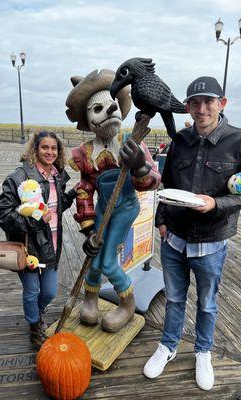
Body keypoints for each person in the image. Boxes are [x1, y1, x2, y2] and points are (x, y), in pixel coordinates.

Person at [143, 76, 241, 390]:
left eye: (209, 101)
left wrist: (217, 203)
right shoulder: (179, 141)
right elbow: (165, 187)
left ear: (221, 104)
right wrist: (161, 222)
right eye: (195, 103)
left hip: (212, 241)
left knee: (207, 303)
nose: (202, 108)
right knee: (173, 299)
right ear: (187, 107)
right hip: (174, 238)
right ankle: (168, 346)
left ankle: (203, 352)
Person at [66, 69, 161, 333]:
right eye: (97, 108)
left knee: (108, 261)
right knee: (94, 257)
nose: (108, 111)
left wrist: (140, 167)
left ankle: (127, 305)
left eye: (112, 105)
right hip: (102, 209)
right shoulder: (85, 153)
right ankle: (90, 300)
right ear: (87, 117)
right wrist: (88, 227)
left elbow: (153, 181)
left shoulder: (132, 145)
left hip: (124, 209)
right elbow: (84, 189)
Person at [0, 131, 77, 349]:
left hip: (52, 245)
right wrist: (35, 221)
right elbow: (2, 213)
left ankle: (36, 314)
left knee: (49, 291)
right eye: (45, 147)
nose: (50, 152)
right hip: (28, 247)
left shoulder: (57, 176)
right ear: (35, 149)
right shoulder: (20, 177)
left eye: (54, 148)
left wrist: (73, 194)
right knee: (32, 291)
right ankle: (34, 324)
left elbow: (57, 208)